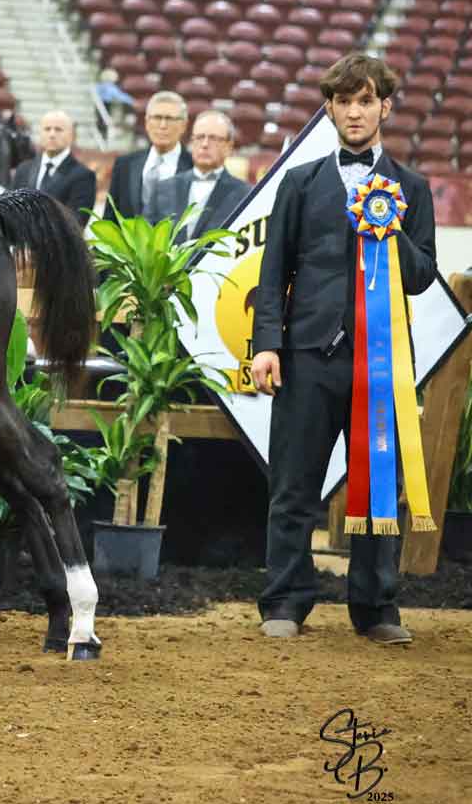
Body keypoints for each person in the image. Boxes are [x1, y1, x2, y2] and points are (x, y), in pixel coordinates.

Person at [249, 53, 435, 646]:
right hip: (306, 357)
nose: (354, 112)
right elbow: (272, 270)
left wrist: (392, 227)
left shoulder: (413, 187)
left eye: (365, 101)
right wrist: (266, 346)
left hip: (381, 364)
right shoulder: (299, 183)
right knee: (293, 485)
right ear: (329, 109)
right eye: (343, 101)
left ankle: (375, 607)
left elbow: (422, 275)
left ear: (384, 106)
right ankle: (284, 600)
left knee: (380, 486)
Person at [153, 109, 250, 242]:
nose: (204, 144)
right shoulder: (163, 188)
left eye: (213, 138)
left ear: (229, 147)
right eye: (199, 137)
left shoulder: (244, 195)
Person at [105, 90, 192, 222]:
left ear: (183, 125)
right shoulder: (125, 165)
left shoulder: (194, 166)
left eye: (170, 119)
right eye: (157, 118)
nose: (163, 125)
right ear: (146, 122)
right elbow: (110, 219)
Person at [10, 109, 95, 217]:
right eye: (47, 129)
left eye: (58, 129)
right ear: (40, 133)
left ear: (71, 135)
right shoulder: (23, 169)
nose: (52, 134)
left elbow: (77, 221)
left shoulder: (83, 176)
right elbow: (12, 211)